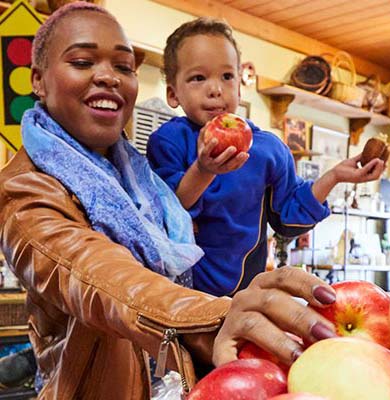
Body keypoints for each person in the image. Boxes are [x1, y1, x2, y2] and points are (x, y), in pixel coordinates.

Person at [0, 3, 340, 399]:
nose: (108, 76)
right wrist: (212, 313)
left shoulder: (137, 174)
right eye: (82, 61)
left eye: (124, 67)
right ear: (38, 80)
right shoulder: (25, 188)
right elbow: (95, 275)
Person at [146, 17, 385, 297]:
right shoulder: (168, 141)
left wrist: (334, 176)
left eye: (227, 76)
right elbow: (168, 212)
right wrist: (203, 168)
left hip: (246, 294)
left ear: (239, 86)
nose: (215, 89)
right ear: (173, 93)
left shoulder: (268, 149)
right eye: (198, 78)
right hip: (182, 293)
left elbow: (288, 219)